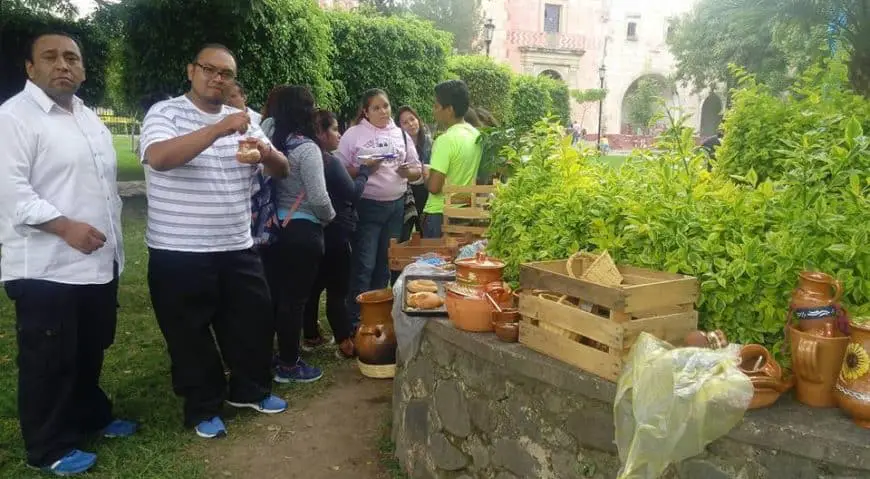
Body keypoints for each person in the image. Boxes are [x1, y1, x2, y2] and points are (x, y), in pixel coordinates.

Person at [0, 31, 136, 476]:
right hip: (45, 267)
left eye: (72, 58)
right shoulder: (14, 118)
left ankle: (89, 415)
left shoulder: (86, 117)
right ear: (29, 67)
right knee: (48, 359)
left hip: (96, 262)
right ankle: (49, 445)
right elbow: (12, 194)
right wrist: (64, 227)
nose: (64, 65)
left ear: (82, 68)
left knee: (89, 347)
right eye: (51, 57)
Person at [139, 43, 290, 439]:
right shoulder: (165, 113)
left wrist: (264, 152)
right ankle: (203, 406)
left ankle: (250, 390)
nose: (218, 78)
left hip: (236, 244)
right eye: (210, 69)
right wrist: (219, 129)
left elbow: (283, 168)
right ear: (192, 71)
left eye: (226, 74)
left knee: (252, 322)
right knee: (190, 333)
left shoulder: (244, 120)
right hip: (179, 248)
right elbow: (159, 158)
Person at [261, 86, 335, 383]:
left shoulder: (270, 143)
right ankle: (289, 364)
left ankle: (269, 357)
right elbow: (318, 198)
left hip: (273, 229)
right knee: (294, 301)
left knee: (276, 298)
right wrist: (330, 218)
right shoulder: (307, 149)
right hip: (303, 232)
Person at [338, 89, 423, 329]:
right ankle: (355, 319)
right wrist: (365, 169)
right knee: (364, 263)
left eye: (385, 106)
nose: (383, 111)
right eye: (376, 107)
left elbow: (417, 170)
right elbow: (339, 169)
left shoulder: (400, 134)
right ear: (365, 111)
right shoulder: (354, 135)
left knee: (384, 264)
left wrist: (408, 172)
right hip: (367, 206)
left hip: (395, 207)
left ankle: (377, 315)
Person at [303, 110, 381, 357]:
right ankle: (344, 341)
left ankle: (311, 335)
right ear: (321, 133)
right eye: (335, 129)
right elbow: (353, 193)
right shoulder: (329, 160)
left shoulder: (303, 155)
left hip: (315, 231)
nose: (338, 134)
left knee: (314, 285)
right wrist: (366, 170)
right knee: (338, 288)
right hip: (336, 231)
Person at [422, 80, 483, 238]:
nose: (434, 111)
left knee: (436, 262)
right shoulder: (476, 136)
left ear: (449, 110)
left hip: (440, 214)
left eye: (436, 106)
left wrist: (426, 175)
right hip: (465, 212)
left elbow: (435, 187)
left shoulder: (445, 140)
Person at [397, 105, 433, 240]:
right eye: (405, 122)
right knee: (404, 234)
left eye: (412, 119)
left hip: (426, 191)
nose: (411, 124)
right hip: (406, 193)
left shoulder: (428, 142)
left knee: (425, 232)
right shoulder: (399, 144)